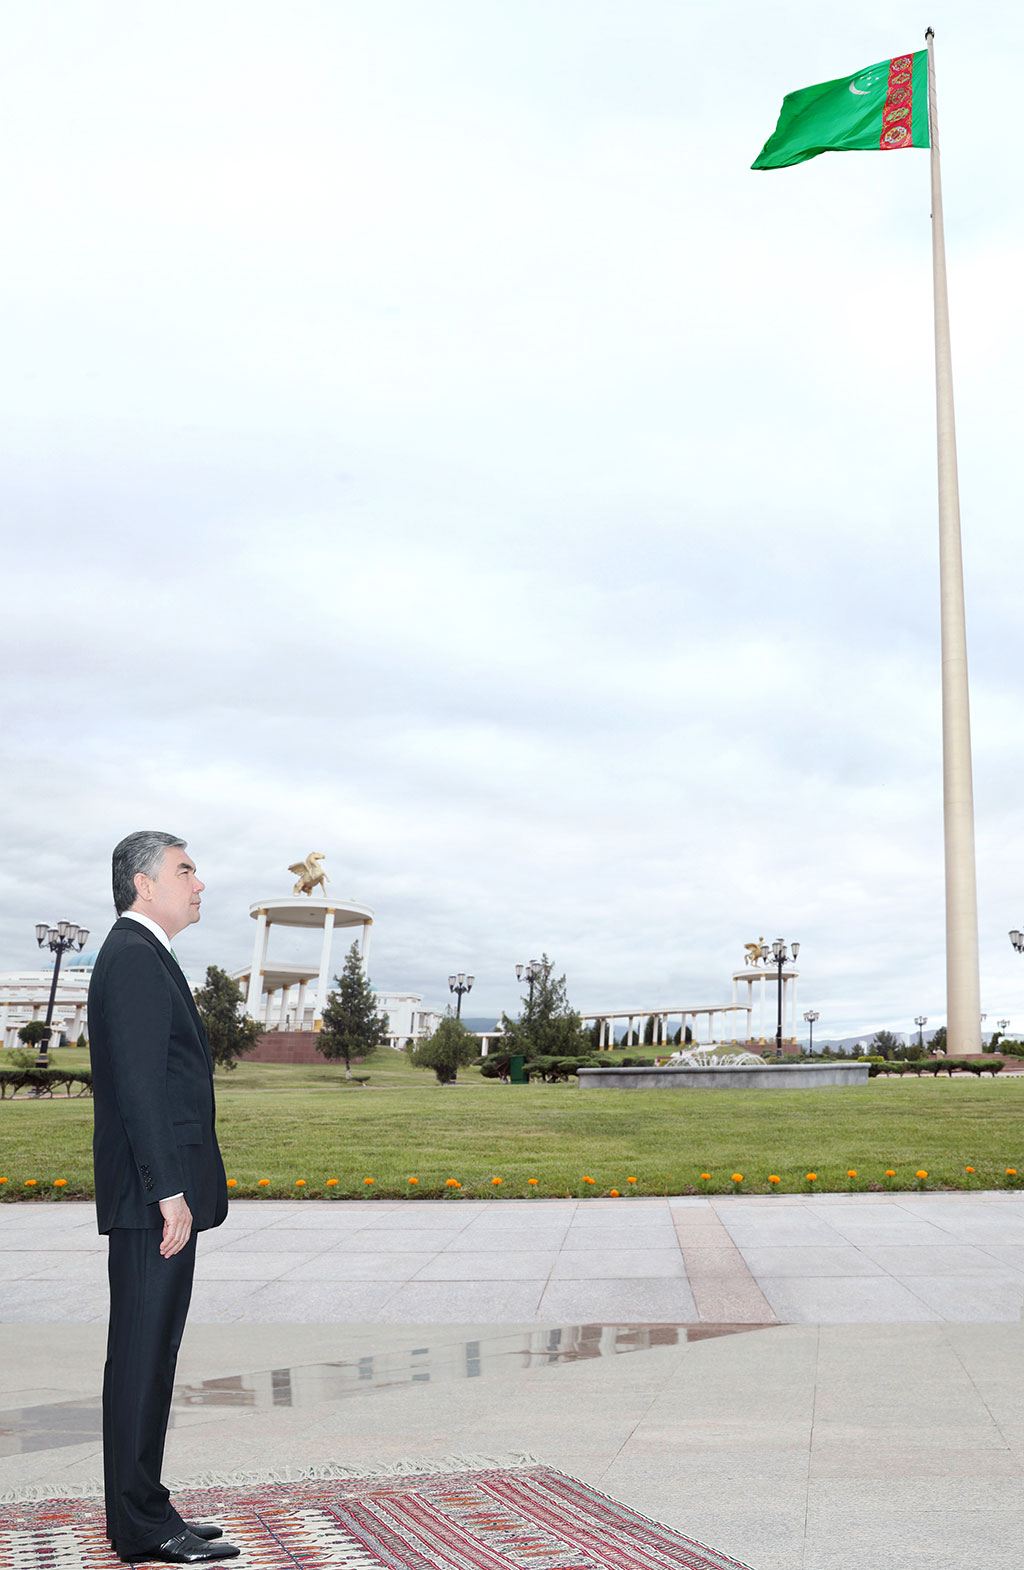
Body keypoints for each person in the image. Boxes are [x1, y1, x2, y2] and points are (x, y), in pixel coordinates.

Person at [89, 831, 238, 1564]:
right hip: (155, 1201)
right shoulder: (135, 958)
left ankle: (142, 1506)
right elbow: (142, 1087)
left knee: (150, 1353)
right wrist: (167, 1191)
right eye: (186, 870)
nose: (200, 883)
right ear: (145, 885)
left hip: (159, 1197)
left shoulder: (144, 955)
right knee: (142, 1355)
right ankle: (141, 1523)